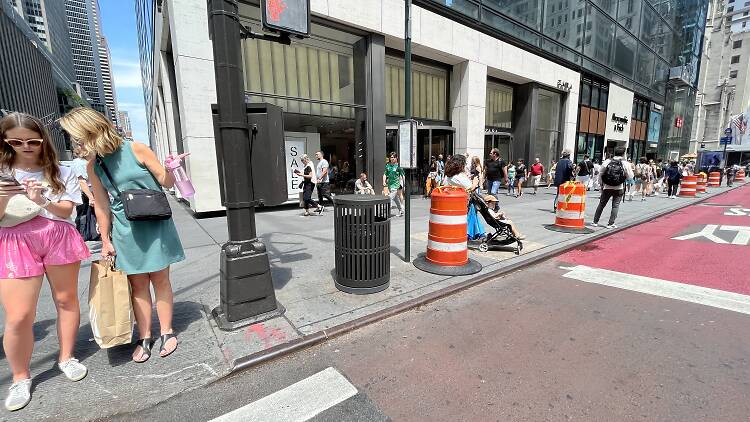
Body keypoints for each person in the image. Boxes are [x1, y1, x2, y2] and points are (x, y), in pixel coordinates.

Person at [60, 107, 185, 363]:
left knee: (161, 280)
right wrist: (105, 240)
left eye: (78, 136)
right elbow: (102, 206)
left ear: (91, 130)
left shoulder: (136, 148)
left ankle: (168, 331)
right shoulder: (94, 166)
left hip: (156, 223)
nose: (76, 141)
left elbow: (166, 182)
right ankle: (146, 336)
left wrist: (172, 167)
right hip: (126, 230)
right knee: (138, 285)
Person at [0, 113, 91, 411]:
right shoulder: (2, 171)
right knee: (18, 316)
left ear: (42, 141)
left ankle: (67, 357)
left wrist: (41, 200)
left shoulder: (60, 170)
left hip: (58, 236)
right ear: (6, 141)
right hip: (15, 239)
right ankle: (20, 377)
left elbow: (66, 212)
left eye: (32, 141)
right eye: (16, 141)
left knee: (66, 300)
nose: (26, 146)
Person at [592, 146, 634, 229]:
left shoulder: (607, 161)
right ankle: (610, 223)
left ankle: (595, 222)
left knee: (601, 204)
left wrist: (601, 184)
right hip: (619, 187)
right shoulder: (626, 163)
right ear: (624, 154)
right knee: (615, 205)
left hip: (607, 187)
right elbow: (630, 177)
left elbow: (601, 173)